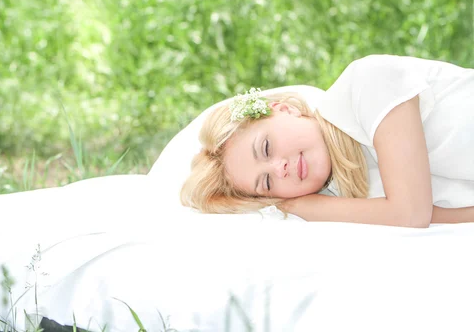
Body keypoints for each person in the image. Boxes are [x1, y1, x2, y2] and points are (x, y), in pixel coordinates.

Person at [180, 54, 474, 227]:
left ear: (285, 109)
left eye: (266, 148)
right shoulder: (353, 195)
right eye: (267, 183)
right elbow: (447, 215)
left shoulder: (366, 86)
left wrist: (307, 208)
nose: (280, 168)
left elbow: (412, 213)